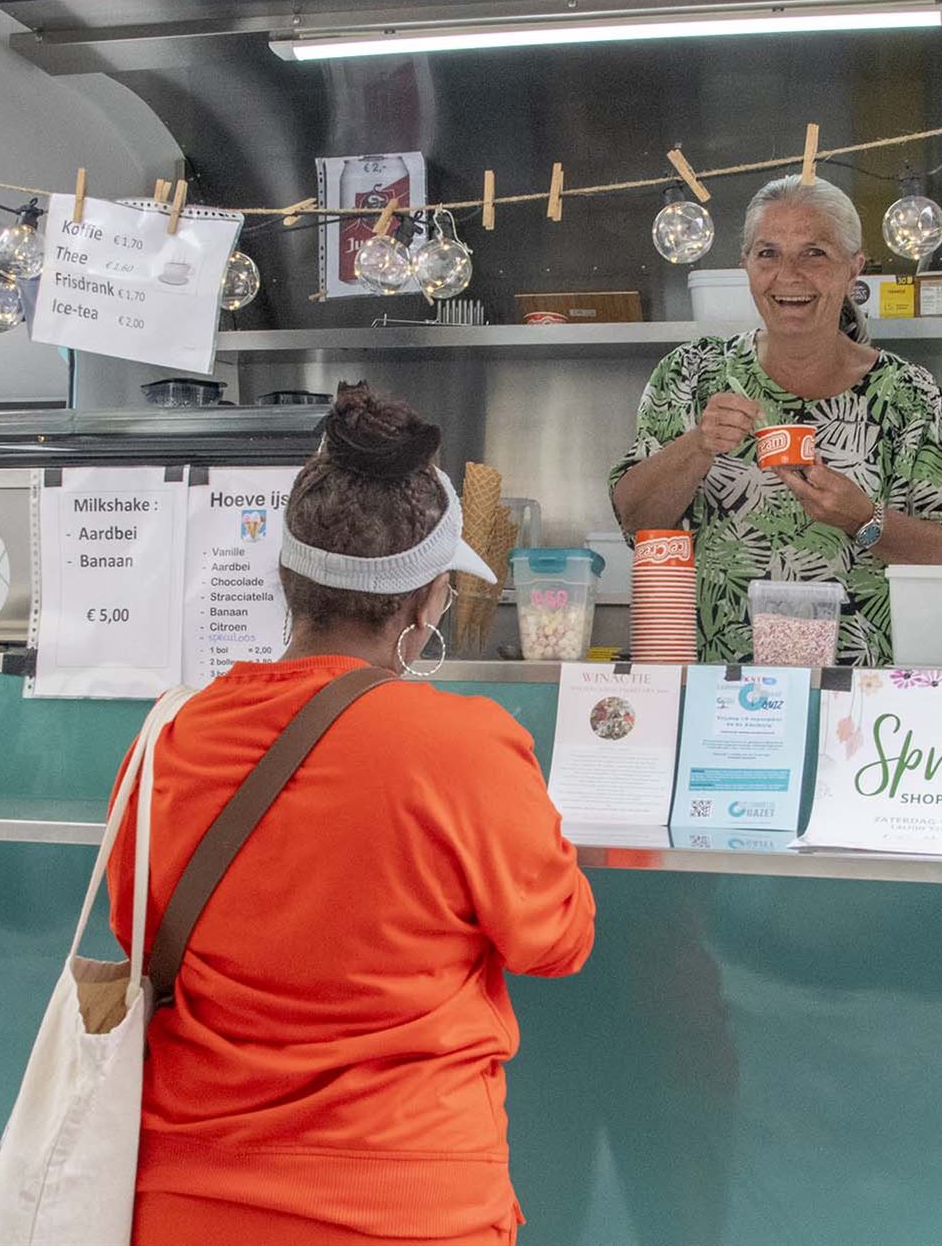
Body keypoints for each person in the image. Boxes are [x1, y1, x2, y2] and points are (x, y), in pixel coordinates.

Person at [108, 384, 596, 1245]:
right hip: (410, 1208)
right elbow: (556, 940)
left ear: (288, 579)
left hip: (188, 1203)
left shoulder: (168, 737)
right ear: (425, 602)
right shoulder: (467, 746)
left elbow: (136, 932)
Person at [609, 175, 942, 665]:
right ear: (746, 266)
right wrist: (697, 445)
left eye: (814, 254)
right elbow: (635, 521)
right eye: (768, 254)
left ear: (853, 269)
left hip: (862, 696)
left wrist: (864, 520)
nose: (788, 275)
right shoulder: (692, 373)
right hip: (717, 692)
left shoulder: (909, 397)